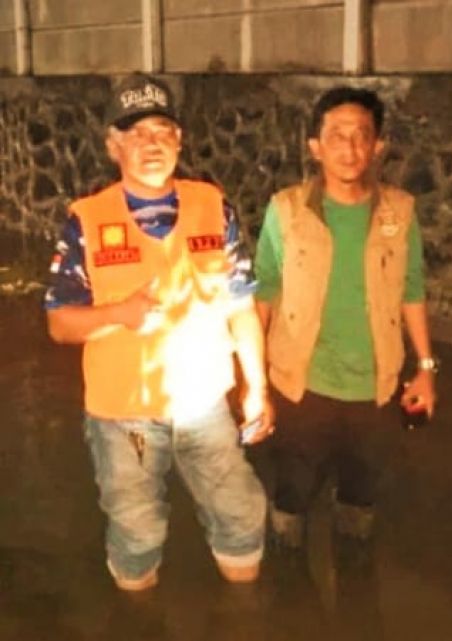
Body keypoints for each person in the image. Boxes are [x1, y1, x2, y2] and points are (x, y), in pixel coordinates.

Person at [44, 73, 273, 591]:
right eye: (136, 133)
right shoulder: (86, 221)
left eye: (162, 131)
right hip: (123, 413)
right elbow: (59, 323)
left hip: (204, 404)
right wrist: (117, 314)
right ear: (113, 145)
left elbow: (240, 305)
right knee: (138, 531)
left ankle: (246, 617)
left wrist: (257, 388)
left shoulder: (213, 206)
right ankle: (139, 614)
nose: (151, 143)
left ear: (179, 140)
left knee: (241, 517)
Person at [253, 86, 436, 553]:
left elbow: (412, 289)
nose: (350, 148)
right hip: (300, 387)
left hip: (375, 389)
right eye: (337, 135)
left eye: (361, 136)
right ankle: (288, 588)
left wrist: (425, 369)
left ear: (378, 146)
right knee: (291, 503)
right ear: (315, 146)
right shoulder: (286, 210)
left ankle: (354, 579)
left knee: (359, 504)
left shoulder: (400, 212)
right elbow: (264, 290)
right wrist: (252, 383)